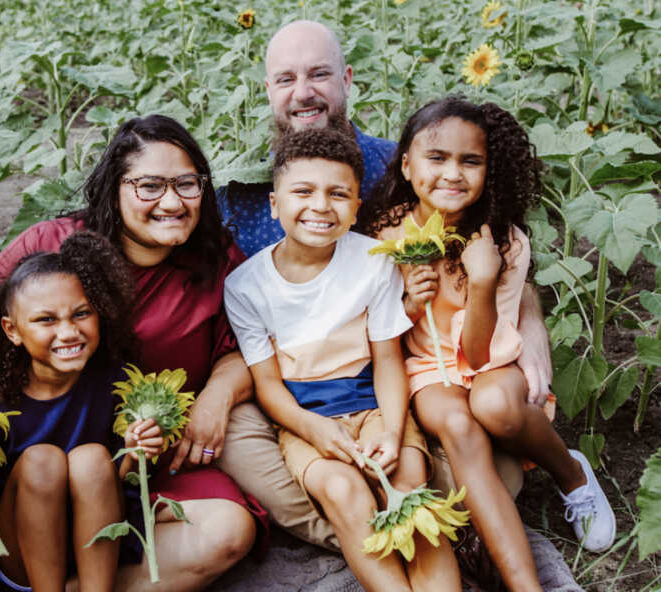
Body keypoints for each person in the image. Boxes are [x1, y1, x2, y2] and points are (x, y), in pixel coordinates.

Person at [0, 115, 264, 592]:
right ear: (114, 187)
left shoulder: (214, 259)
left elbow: (251, 345)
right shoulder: (52, 247)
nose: (173, 202)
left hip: (127, 469)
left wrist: (218, 393)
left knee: (225, 533)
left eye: (187, 184)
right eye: (150, 185)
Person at [215, 19, 554, 550]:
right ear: (268, 91)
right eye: (286, 79)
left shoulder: (397, 167)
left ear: (347, 79)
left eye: (319, 74)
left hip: (401, 378)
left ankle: (400, 520)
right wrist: (222, 388)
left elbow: (488, 251)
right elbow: (233, 312)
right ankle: (390, 529)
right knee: (238, 438)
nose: (303, 93)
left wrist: (529, 319)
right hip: (299, 390)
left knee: (497, 479)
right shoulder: (239, 191)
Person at [357, 96, 616, 592]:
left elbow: (476, 356)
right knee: (457, 422)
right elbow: (380, 328)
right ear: (407, 165)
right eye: (437, 158)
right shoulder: (385, 233)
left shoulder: (503, 244)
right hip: (427, 367)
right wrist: (409, 305)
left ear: (489, 170)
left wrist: (481, 281)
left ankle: (572, 472)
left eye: (470, 161)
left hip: (487, 362)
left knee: (494, 404)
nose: (453, 174)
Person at [224, 128, 461, 592]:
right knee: (344, 491)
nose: (320, 206)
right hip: (304, 418)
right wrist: (314, 429)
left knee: (410, 482)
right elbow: (268, 385)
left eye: (339, 194)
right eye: (303, 192)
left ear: (356, 208)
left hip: (373, 403)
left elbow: (388, 360)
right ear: (275, 204)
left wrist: (392, 433)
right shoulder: (245, 286)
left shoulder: (373, 262)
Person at [0, 237, 158, 591]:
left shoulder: (117, 380)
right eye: (46, 320)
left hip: (97, 543)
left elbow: (125, 487)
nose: (68, 332)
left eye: (81, 314)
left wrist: (136, 452)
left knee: (94, 459)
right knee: (41, 461)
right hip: (22, 552)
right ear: (12, 331)